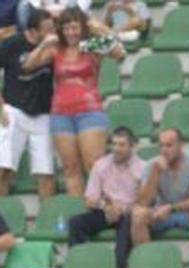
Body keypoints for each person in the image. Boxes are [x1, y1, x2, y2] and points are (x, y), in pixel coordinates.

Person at [45, 5, 125, 197]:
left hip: (89, 111)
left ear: (82, 28)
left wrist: (101, 28)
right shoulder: (57, 49)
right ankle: (78, 217)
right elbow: (28, 64)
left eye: (75, 27)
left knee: (96, 166)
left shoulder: (91, 46)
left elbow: (119, 53)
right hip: (60, 113)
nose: (71, 32)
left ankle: (109, 212)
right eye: (67, 28)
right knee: (70, 169)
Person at [0, 6, 56, 199]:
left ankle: (46, 222)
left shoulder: (55, 47)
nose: (52, 33)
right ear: (32, 31)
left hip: (43, 113)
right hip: (15, 111)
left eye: (52, 28)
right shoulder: (13, 44)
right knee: (3, 170)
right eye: (47, 29)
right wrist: (1, 104)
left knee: (46, 173)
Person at [70, 126, 145, 268]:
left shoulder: (143, 168)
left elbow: (147, 201)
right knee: (76, 222)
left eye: (122, 145)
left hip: (129, 213)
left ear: (132, 146)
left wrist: (123, 209)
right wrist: (107, 207)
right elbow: (90, 199)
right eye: (114, 144)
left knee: (127, 220)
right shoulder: (101, 165)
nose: (116, 148)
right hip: (107, 211)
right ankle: (80, 265)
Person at [130, 128, 189, 249]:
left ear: (181, 145)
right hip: (160, 214)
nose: (164, 150)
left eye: (169, 146)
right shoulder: (152, 165)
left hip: (187, 213)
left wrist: (172, 208)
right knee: (138, 215)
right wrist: (155, 172)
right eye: (161, 146)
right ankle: (147, 263)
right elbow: (143, 202)